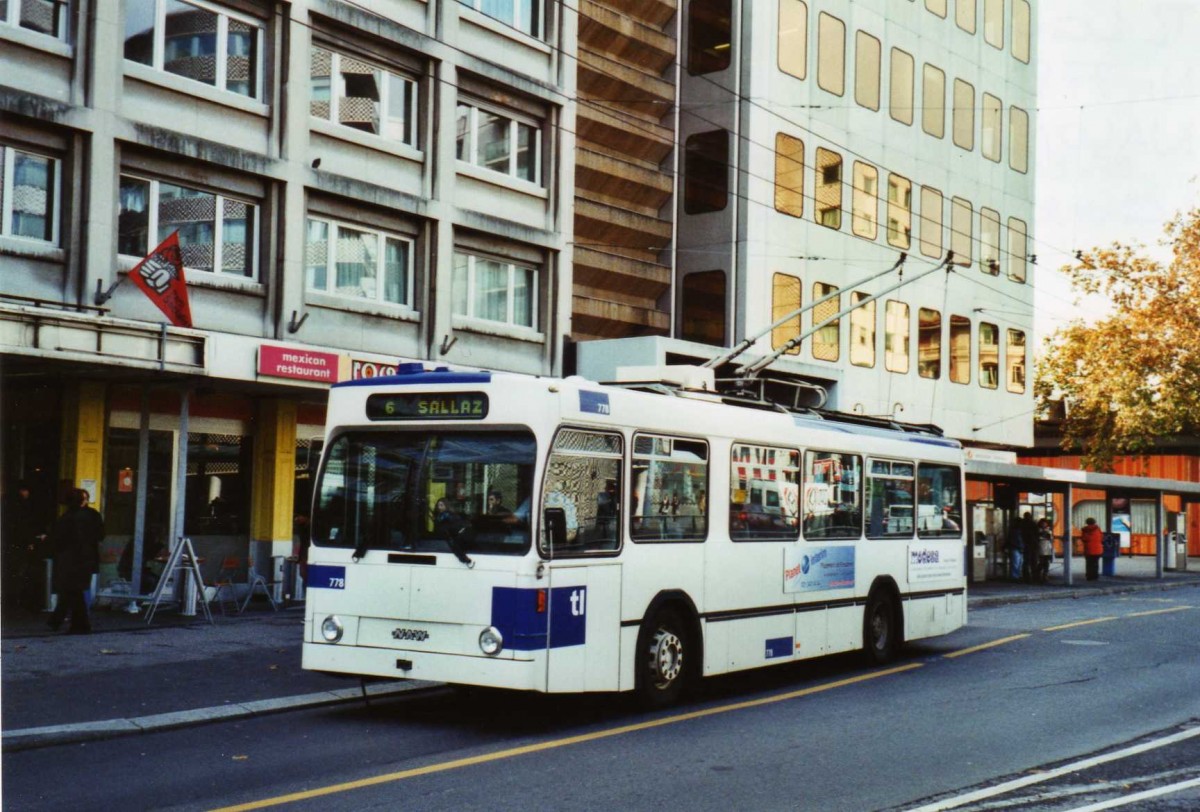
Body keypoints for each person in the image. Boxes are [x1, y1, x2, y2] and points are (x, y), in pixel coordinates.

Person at [48, 488, 104, 634]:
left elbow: (59, 539)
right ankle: (68, 623)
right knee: (74, 592)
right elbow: (100, 535)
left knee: (72, 591)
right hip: (86, 558)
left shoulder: (67, 518)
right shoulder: (91, 515)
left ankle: (76, 624)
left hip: (70, 559)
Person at [3, 479, 46, 611]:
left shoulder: (6, 503)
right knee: (21, 573)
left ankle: (9, 602)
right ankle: (18, 603)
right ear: (22, 491)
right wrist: (31, 541)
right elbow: (22, 527)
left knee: (9, 574)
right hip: (19, 546)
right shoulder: (21, 507)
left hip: (7, 544)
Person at [1081, 517, 1104, 581]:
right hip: (1098, 549)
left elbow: (1084, 539)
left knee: (1089, 564)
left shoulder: (1085, 530)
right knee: (1095, 563)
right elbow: (1101, 538)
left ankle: (1089, 576)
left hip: (1089, 549)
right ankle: (1095, 576)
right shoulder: (1098, 529)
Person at [1019, 512, 1039, 583]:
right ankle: (1035, 577)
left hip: (1027, 544)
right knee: (1034, 562)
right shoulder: (1033, 524)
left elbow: (1022, 535)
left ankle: (1026, 577)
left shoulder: (1022, 524)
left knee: (1026, 561)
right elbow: (1037, 534)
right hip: (1033, 545)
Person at [1035, 518, 1054, 584]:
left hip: (1048, 548)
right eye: (1043, 523)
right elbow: (1041, 537)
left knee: (1046, 563)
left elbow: (1050, 537)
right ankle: (1038, 575)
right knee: (1041, 562)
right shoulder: (1038, 530)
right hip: (1041, 548)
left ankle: (1045, 575)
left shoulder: (1049, 530)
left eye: (1045, 523)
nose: (1044, 524)